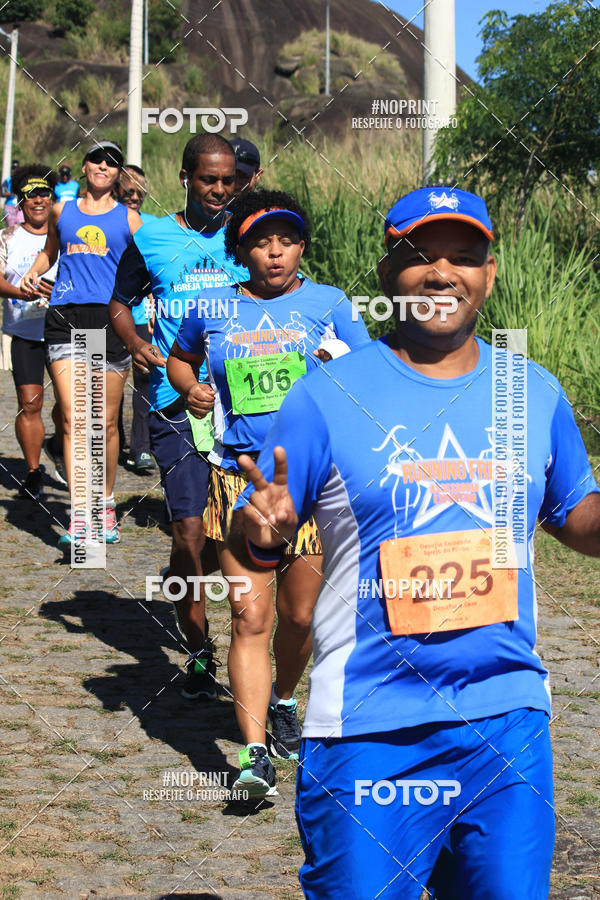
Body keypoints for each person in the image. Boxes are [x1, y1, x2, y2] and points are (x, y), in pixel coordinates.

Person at [230, 186, 600, 897]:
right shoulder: (327, 395)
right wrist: (264, 532)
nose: (442, 273)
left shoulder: (531, 391)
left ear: (490, 274)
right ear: (385, 273)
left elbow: (573, 512)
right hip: (368, 730)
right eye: (420, 255)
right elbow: (261, 539)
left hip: (506, 721)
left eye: (464, 256)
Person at [168, 189, 370, 798]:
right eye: (261, 242)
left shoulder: (331, 304)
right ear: (242, 250)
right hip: (238, 481)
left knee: (299, 616)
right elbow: (181, 360)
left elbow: (370, 380)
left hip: (312, 484)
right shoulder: (212, 306)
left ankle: (284, 697)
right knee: (248, 616)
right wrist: (190, 389)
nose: (275, 252)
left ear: (302, 247)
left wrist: (338, 372)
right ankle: (254, 758)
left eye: (287, 240)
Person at [109, 133, 247, 700]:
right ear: (186, 178)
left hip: (243, 406)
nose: (219, 189)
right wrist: (135, 342)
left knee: (223, 541)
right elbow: (119, 303)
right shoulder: (153, 238)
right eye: (209, 179)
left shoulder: (248, 234)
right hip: (175, 403)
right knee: (190, 533)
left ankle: (181, 579)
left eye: (228, 180)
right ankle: (198, 652)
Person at [21, 140, 142, 546]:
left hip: (110, 319)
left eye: (112, 162)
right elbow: (49, 252)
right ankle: (81, 514)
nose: (103, 166)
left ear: (118, 173)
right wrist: (34, 271)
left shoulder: (130, 218)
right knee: (75, 417)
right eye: (97, 159)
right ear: (85, 166)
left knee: (104, 422)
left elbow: (148, 266)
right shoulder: (62, 210)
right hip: (65, 315)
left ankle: (105, 504)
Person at [0, 165, 59, 499]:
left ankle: (58, 444)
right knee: (30, 403)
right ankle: (34, 473)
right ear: (20, 202)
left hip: (66, 330)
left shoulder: (67, 233)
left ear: (52, 198)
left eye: (44, 194)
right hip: (24, 331)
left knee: (74, 404)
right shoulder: (7, 236)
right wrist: (20, 293)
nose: (38, 200)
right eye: (30, 195)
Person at [115, 164, 157, 473]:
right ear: (117, 191)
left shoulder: (152, 226)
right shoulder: (106, 221)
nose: (135, 197)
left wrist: (156, 307)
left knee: (145, 376)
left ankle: (140, 448)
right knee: (104, 381)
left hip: (141, 313)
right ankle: (109, 441)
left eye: (140, 193)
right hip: (105, 313)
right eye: (129, 191)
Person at [2, 160, 24, 227]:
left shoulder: (22, 180)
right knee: (11, 226)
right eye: (13, 169)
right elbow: (2, 193)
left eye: (17, 169)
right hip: (9, 206)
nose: (15, 171)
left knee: (21, 226)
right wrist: (12, 193)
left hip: (20, 206)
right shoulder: (7, 181)